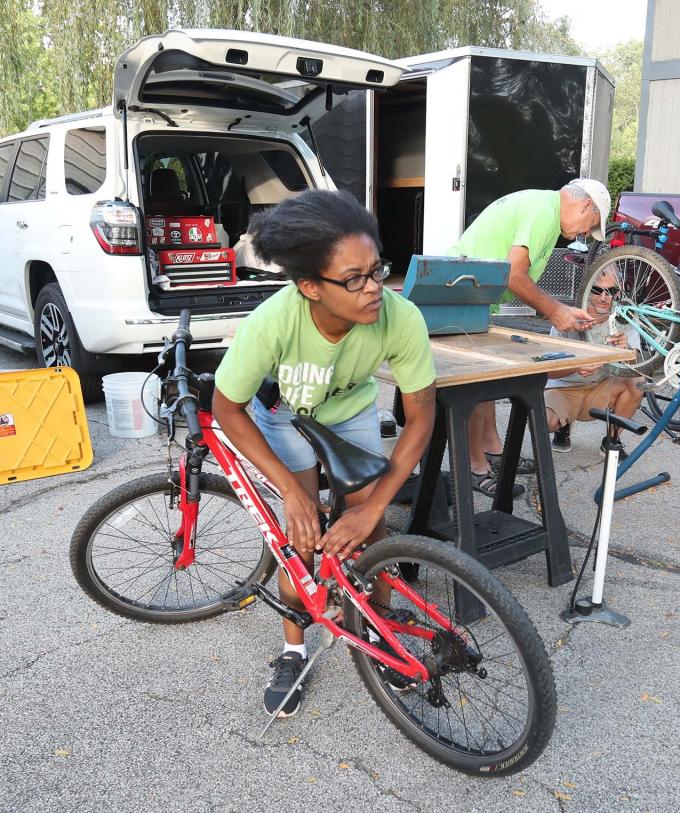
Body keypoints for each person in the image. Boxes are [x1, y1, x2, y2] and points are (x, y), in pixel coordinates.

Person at [212, 190, 437, 718]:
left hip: (351, 413)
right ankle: (293, 648)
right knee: (302, 535)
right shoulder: (273, 323)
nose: (375, 288)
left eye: (377, 270)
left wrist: (373, 506)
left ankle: (379, 632)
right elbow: (227, 407)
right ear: (310, 286)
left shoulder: (400, 318)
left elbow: (421, 415)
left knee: (371, 527)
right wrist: (292, 493)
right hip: (284, 417)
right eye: (354, 279)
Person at [447, 178, 611, 496]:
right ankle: (473, 467)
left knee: (488, 379)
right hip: (461, 295)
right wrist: (555, 311)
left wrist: (559, 307)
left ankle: (494, 451)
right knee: (474, 386)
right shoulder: (543, 211)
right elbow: (514, 273)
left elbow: (518, 277)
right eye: (590, 226)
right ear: (586, 205)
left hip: (470, 295)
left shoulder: (542, 207)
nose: (584, 234)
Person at [544, 269, 651, 459]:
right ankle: (563, 425)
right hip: (566, 387)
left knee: (637, 382)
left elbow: (636, 365)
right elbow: (549, 372)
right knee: (543, 423)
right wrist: (576, 365)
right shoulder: (567, 317)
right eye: (597, 290)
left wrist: (626, 350)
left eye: (610, 291)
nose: (603, 298)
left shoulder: (623, 318)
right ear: (587, 289)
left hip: (600, 387)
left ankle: (612, 440)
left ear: (619, 293)